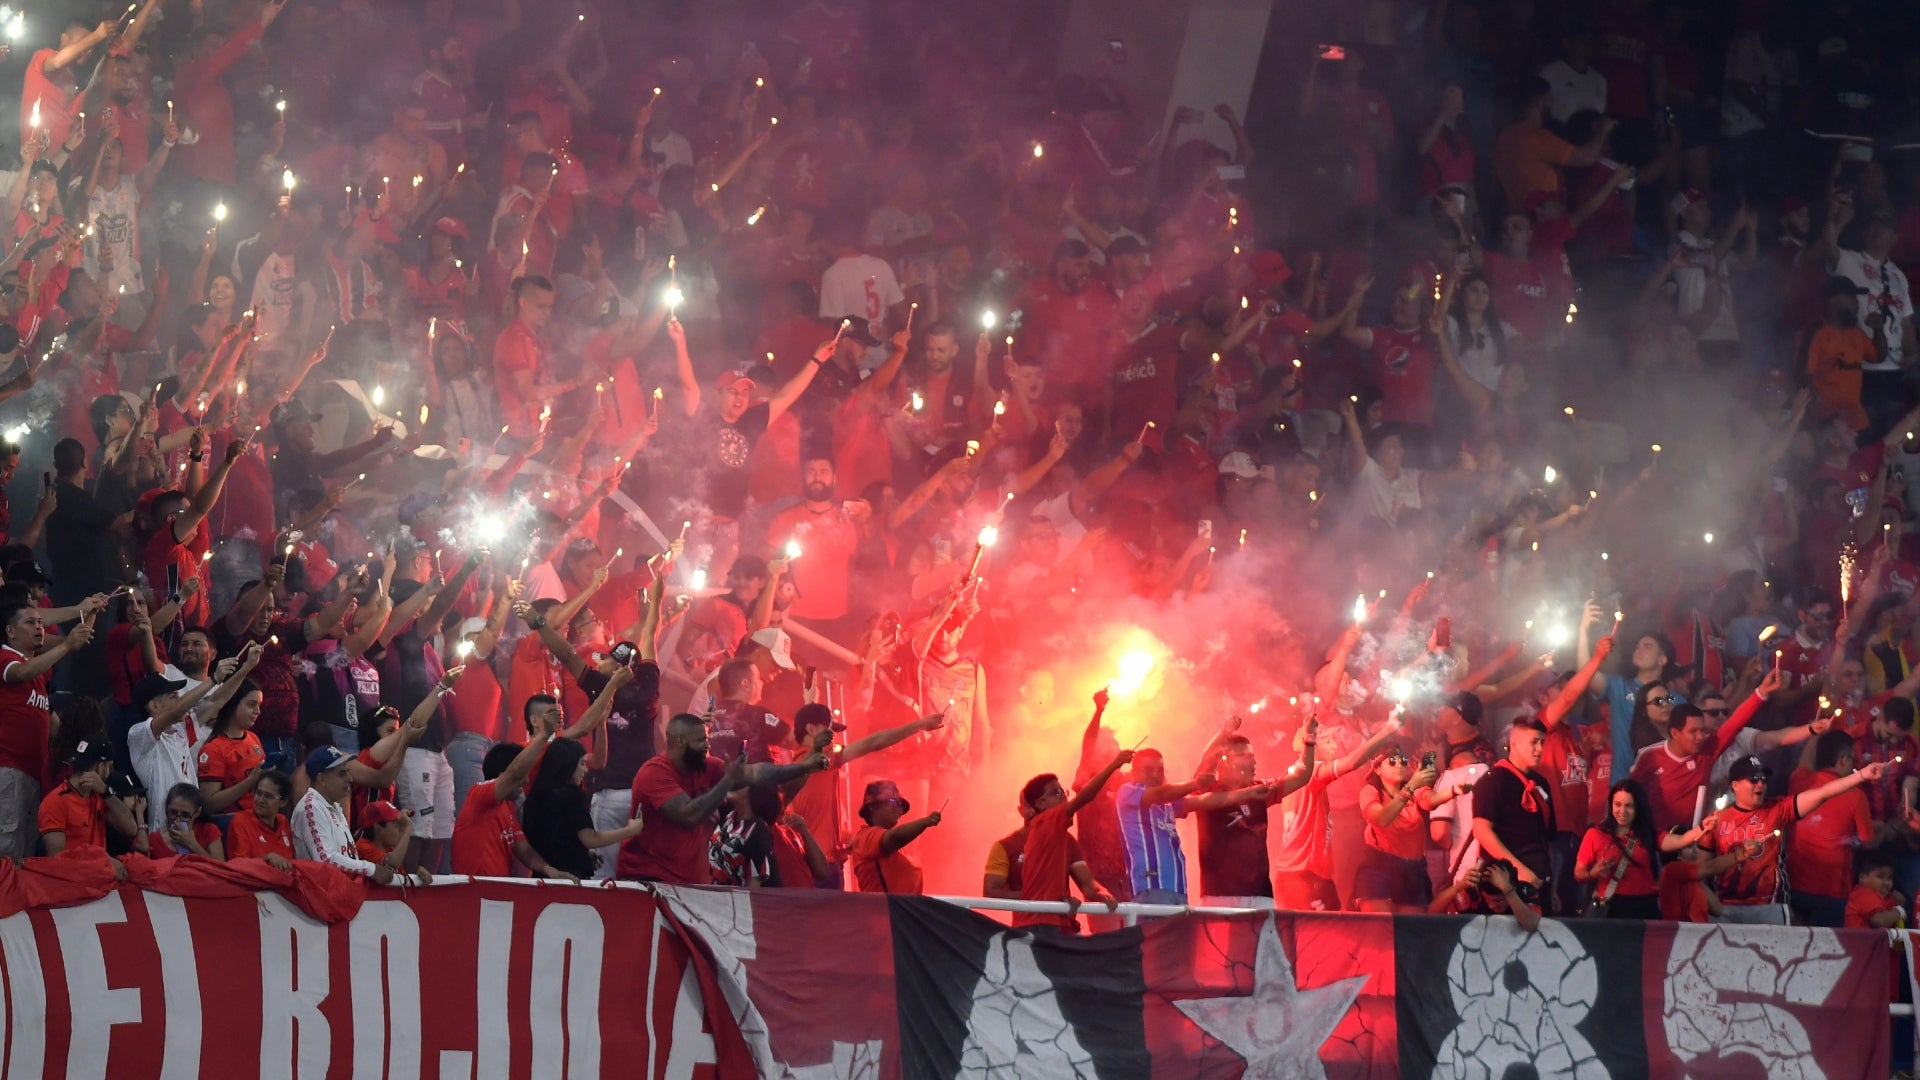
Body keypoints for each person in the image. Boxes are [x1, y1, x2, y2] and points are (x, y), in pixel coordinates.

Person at [617, 712, 823, 883]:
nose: (707, 746)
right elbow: (688, 815)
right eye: (701, 741)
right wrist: (728, 781)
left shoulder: (706, 766)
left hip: (684, 881)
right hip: (646, 878)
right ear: (680, 742)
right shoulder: (654, 773)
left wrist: (802, 767)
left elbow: (755, 773)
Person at [1703, 753, 1888, 924]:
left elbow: (1822, 793)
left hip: (1769, 907)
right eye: (1753, 779)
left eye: (1763, 779)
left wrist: (1861, 775)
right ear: (1735, 785)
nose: (1760, 784)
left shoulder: (1778, 808)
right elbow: (1701, 869)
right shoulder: (1716, 820)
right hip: (1724, 908)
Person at [984, 753, 1130, 933]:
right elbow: (1085, 797)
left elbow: (1087, 884)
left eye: (1063, 792)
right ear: (1040, 804)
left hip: (1056, 922)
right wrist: (1114, 765)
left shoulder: (1062, 837)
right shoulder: (1044, 822)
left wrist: (1100, 892)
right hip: (1038, 922)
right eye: (1056, 793)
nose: (1064, 797)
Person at [1628, 677, 1773, 833]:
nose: (1700, 737)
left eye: (1702, 731)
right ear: (1675, 733)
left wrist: (1762, 692)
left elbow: (1734, 723)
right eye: (1693, 732)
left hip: (1695, 837)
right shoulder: (1649, 756)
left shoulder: (1706, 751)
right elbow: (1628, 794)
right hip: (1657, 838)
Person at [449, 723, 575, 882]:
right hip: (473, 890)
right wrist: (545, 734)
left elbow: (525, 851)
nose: (526, 780)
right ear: (503, 776)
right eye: (523, 775)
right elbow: (515, 771)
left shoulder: (508, 807)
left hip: (498, 891)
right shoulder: (478, 795)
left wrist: (549, 870)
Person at [1355, 742, 1472, 913]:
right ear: (1377, 769)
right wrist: (1411, 786)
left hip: (1412, 869)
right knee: (1381, 924)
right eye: (1392, 761)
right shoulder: (1370, 791)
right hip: (1380, 865)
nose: (1399, 765)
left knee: (1411, 925)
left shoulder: (1413, 790)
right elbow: (1381, 818)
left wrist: (1454, 790)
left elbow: (1430, 800)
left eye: (1403, 760)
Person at [1574, 779, 1705, 918]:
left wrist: (1703, 827)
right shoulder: (1595, 834)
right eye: (1617, 804)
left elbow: (1681, 840)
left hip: (1645, 908)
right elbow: (1578, 874)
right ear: (1611, 804)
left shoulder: (1649, 834)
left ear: (1638, 807)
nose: (1622, 811)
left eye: (1629, 806)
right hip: (1611, 907)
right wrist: (1593, 874)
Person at [522, 734, 644, 881]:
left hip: (542, 878)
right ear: (567, 765)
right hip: (570, 879)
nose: (586, 770)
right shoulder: (570, 795)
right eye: (581, 764)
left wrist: (580, 853)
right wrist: (630, 830)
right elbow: (590, 838)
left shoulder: (538, 794)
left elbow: (557, 838)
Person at [293, 746, 414, 885]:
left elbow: (349, 857)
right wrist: (371, 869)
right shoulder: (311, 807)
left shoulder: (333, 807)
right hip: (317, 892)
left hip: (340, 890)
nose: (350, 779)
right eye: (342, 773)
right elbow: (325, 859)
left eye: (348, 772)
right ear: (322, 779)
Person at [1472, 717, 1555, 911]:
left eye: (1542, 743)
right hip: (1506, 884)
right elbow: (1481, 830)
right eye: (1534, 742)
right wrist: (1520, 870)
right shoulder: (1493, 780)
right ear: (1514, 742)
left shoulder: (1541, 782)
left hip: (1538, 880)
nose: (1539, 749)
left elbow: (1547, 837)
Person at [37, 740, 139, 855]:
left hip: (100, 864)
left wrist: (106, 792)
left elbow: (131, 829)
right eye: (109, 766)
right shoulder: (55, 801)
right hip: (76, 865)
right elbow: (57, 857)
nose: (110, 771)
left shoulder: (101, 797)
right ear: (101, 767)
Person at [849, 778, 940, 894]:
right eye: (892, 801)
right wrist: (925, 822)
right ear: (872, 806)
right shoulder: (866, 837)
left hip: (897, 905)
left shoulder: (889, 844)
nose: (899, 810)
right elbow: (894, 838)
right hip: (885, 905)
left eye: (900, 805)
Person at [223, 769, 295, 869]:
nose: (261, 800)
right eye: (258, 793)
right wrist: (267, 858)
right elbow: (240, 866)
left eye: (268, 796)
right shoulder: (241, 820)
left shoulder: (283, 821)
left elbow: (291, 861)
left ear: (283, 802)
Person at [147, 783, 224, 860]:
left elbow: (219, 866)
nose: (177, 820)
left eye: (185, 815)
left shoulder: (208, 830)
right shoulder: (154, 839)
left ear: (197, 812)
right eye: (173, 813)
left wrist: (192, 844)